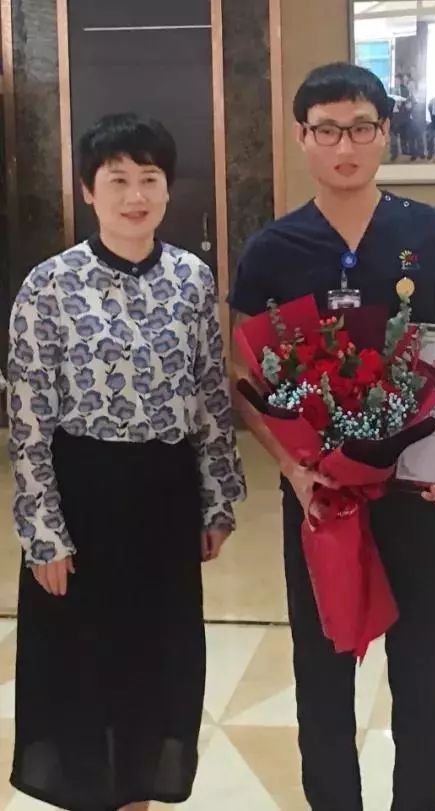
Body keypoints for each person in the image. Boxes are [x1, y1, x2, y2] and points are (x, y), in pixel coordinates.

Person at [228, 63, 435, 810]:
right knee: (321, 667)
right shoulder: (273, 247)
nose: (346, 146)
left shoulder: (432, 233)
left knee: (423, 668)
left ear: (385, 133)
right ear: (301, 137)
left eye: (362, 128)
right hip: (320, 494)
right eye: (328, 130)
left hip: (417, 491)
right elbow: (246, 375)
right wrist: (292, 466)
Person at [6, 113, 246, 810]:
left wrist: (217, 500)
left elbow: (210, 394)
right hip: (83, 498)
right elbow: (27, 417)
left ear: (168, 188)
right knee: (84, 671)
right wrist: (43, 534)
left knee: (155, 666)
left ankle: (137, 798)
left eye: (149, 178)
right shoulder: (49, 285)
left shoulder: (192, 279)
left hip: (164, 497)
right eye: (117, 180)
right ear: (89, 190)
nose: (135, 196)